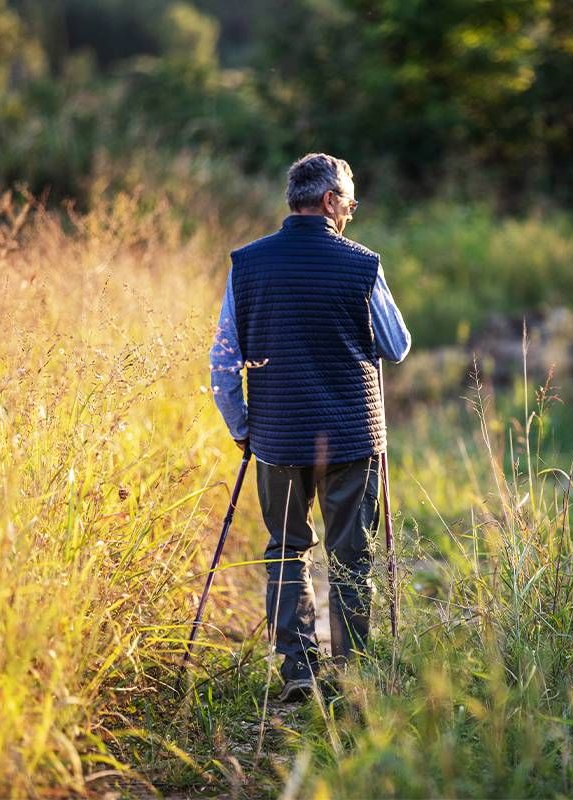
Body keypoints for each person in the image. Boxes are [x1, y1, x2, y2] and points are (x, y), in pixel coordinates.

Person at [208, 153, 411, 702]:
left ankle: (297, 671)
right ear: (328, 201)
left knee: (284, 549)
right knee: (352, 557)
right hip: (352, 436)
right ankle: (351, 678)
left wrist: (243, 428)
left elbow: (223, 364)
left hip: (277, 438)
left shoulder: (247, 265)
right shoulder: (362, 263)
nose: (351, 210)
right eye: (349, 201)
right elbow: (396, 346)